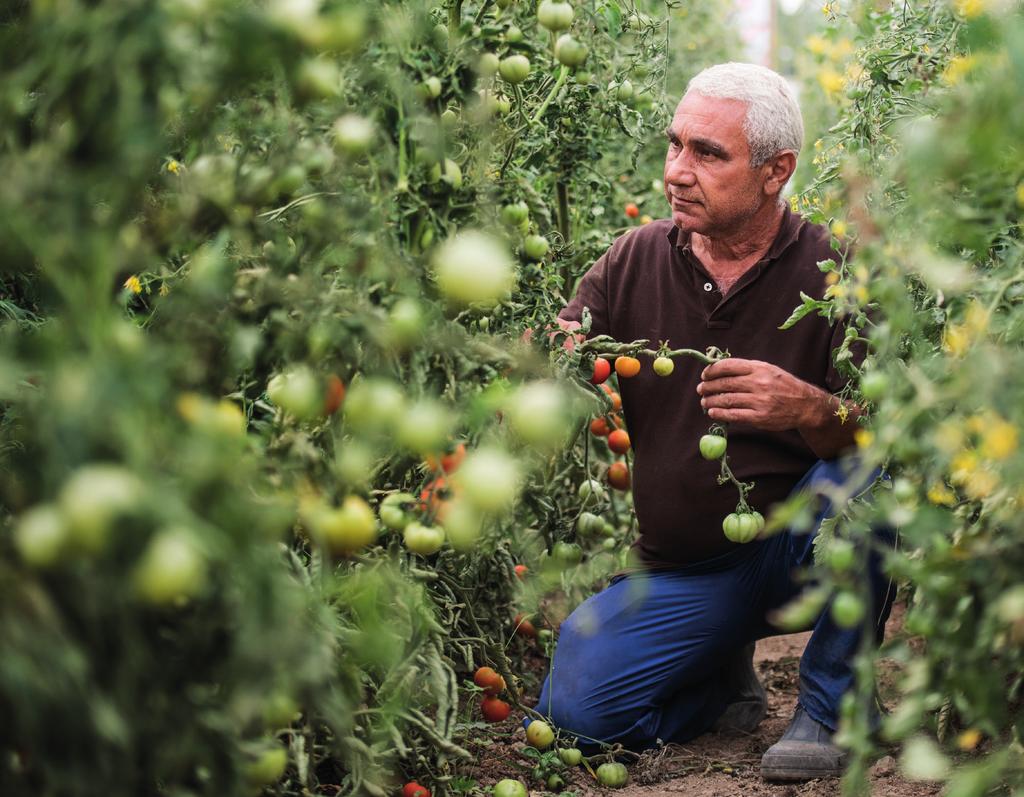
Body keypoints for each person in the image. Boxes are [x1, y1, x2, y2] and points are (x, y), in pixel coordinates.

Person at [532, 62, 895, 781]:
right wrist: (555, 362)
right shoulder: (635, 260)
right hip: (683, 571)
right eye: (675, 145)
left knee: (876, 469)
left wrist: (810, 407)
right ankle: (719, 680)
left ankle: (831, 702)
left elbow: (884, 433)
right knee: (576, 716)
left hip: (798, 556)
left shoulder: (837, 274)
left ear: (775, 171)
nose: (677, 171)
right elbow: (552, 353)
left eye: (707, 153)